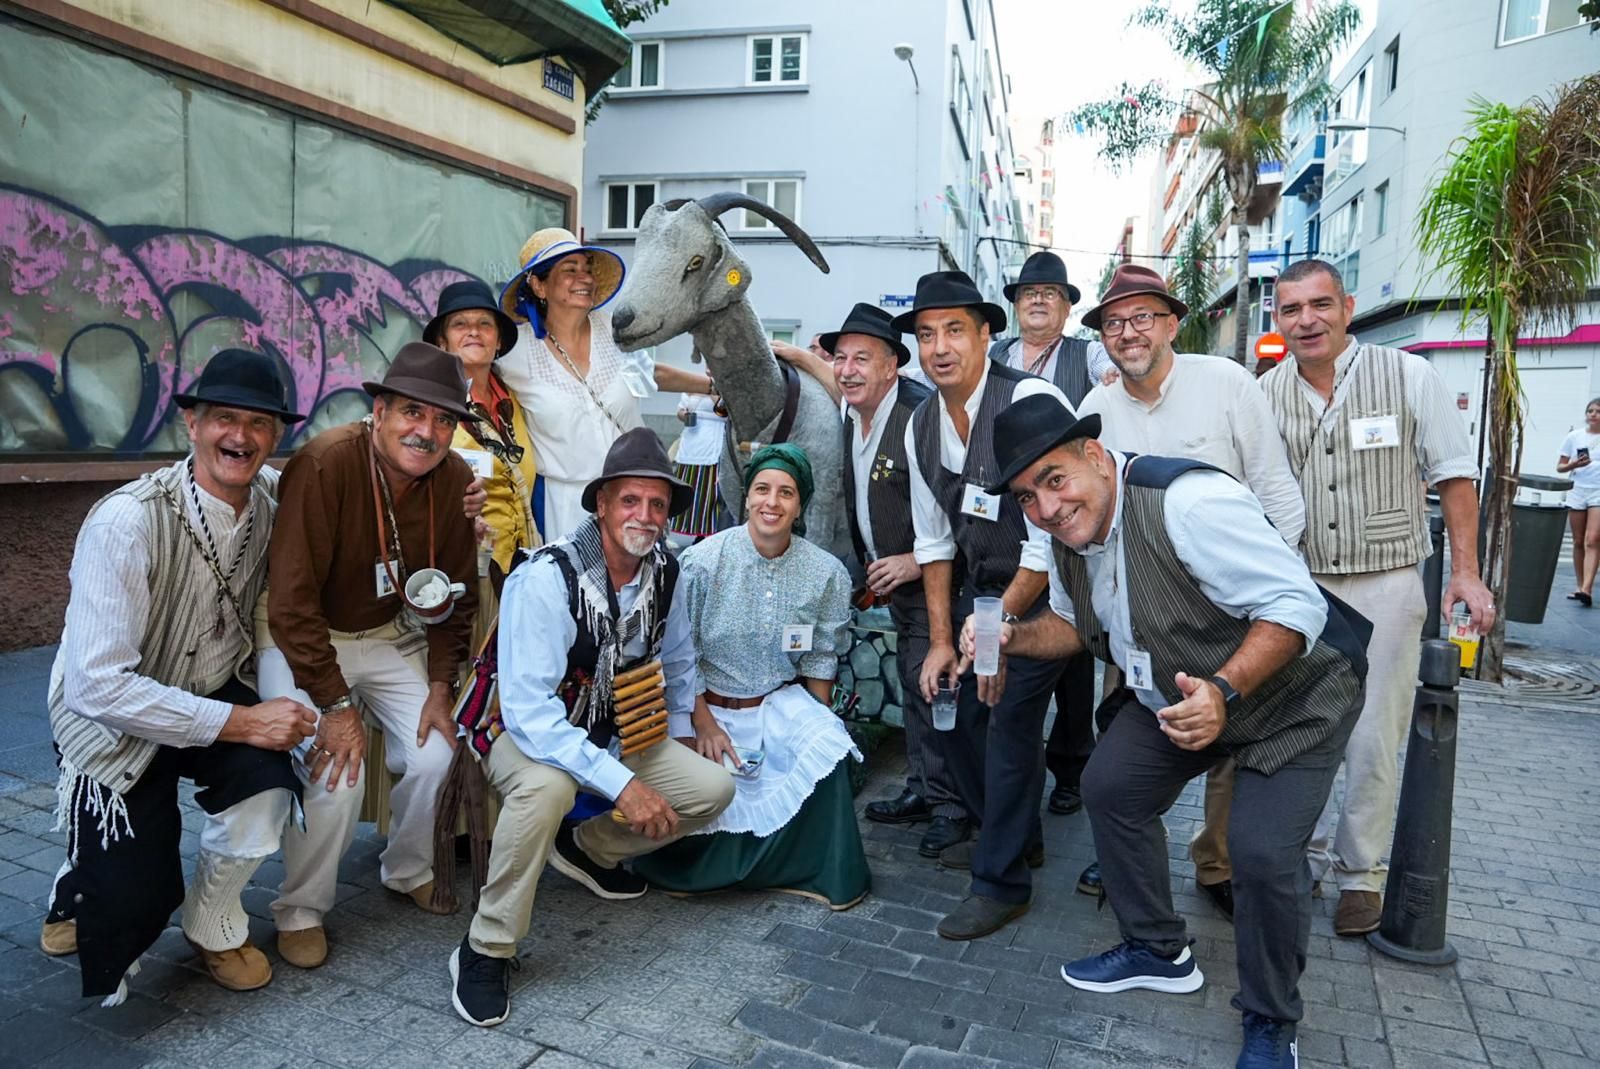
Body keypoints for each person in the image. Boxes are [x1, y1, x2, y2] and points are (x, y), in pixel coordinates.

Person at [973, 395, 1368, 1069]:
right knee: (1110, 784)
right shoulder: (1068, 539)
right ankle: (1157, 949)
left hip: (1295, 697)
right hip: (1181, 692)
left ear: (1094, 457)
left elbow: (1296, 602)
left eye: (1055, 478)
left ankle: (1273, 1019)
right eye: (1027, 495)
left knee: (1262, 852)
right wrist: (1011, 638)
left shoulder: (1187, 501)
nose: (1046, 506)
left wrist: (1223, 690)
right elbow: (1073, 626)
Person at [43, 350, 313, 1002]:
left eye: (258, 423)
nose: (240, 437)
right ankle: (79, 879)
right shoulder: (125, 520)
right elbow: (97, 685)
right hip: (115, 715)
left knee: (271, 783)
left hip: (213, 683)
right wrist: (246, 721)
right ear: (191, 422)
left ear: (275, 435)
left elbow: (357, 495)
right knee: (135, 897)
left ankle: (213, 920)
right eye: (224, 418)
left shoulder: (277, 499)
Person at [448, 428, 735, 1028]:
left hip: (608, 727)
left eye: (658, 504)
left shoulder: (665, 571)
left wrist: (683, 729)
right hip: (514, 730)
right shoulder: (547, 578)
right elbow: (529, 713)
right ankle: (485, 947)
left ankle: (589, 848)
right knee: (547, 787)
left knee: (712, 790)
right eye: (631, 500)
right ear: (601, 504)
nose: (646, 515)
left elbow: (678, 660)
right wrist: (624, 785)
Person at [1261, 258, 1493, 937]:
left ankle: (1360, 874)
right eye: (1291, 309)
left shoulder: (1408, 375)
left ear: (1347, 307)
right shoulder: (1266, 391)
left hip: (1388, 578)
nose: (1306, 319)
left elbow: (1454, 476)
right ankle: (1299, 855)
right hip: (1302, 583)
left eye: (1319, 304)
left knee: (1373, 735)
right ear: (1279, 319)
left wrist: (1466, 572)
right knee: (1300, 728)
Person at [1074, 264, 1307, 918]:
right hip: (1136, 622)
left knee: (1230, 735)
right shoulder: (1095, 411)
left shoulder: (1227, 384)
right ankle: (1121, 845)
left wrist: (1265, 598)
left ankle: (1219, 862)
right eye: (1115, 322)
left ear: (1172, 323)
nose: (1129, 332)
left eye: (1143, 317)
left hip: (1223, 615)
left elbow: (1280, 500)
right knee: (1124, 731)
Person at [260, 341, 479, 969]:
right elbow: (292, 602)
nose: (427, 431)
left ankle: (404, 866)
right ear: (378, 410)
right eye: (413, 412)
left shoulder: (456, 479)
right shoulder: (326, 464)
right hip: (303, 637)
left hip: (384, 635)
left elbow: (454, 597)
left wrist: (442, 687)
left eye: (443, 420)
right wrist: (334, 705)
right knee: (337, 765)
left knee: (440, 751)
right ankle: (300, 909)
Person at [893, 269, 1074, 940]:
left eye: (954, 331)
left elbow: (1050, 536)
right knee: (952, 710)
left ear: (987, 334)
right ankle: (1015, 829)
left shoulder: (1027, 397)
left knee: (1008, 715)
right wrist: (944, 639)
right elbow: (934, 541)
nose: (939, 347)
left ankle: (1000, 882)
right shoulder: (919, 426)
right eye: (926, 333)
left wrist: (992, 631)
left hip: (1052, 588)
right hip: (980, 589)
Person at [633, 443, 867, 908]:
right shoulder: (703, 563)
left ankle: (809, 868)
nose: (772, 503)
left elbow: (820, 660)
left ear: (800, 505)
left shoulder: (827, 574)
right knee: (707, 773)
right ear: (745, 498)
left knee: (828, 748)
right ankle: (696, 869)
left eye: (786, 493)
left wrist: (810, 733)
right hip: (705, 704)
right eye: (762, 489)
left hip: (778, 700)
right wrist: (701, 723)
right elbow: (680, 656)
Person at [816, 304, 944, 832]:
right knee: (915, 686)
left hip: (938, 580)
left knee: (936, 689)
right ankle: (926, 790)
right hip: (890, 583)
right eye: (841, 358)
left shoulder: (922, 413)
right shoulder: (852, 413)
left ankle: (951, 807)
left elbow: (956, 502)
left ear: (892, 366)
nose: (847, 369)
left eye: (862, 358)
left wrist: (916, 559)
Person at [496, 228, 712, 540]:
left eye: (587, 269)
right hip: (563, 508)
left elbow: (650, 374)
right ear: (538, 284)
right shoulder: (514, 354)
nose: (584, 278)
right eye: (570, 270)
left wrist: (714, 388)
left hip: (632, 497)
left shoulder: (614, 330)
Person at [985, 251, 1101, 825]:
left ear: (1065, 307)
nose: (1037, 300)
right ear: (1014, 305)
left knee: (1075, 659)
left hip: (1074, 519)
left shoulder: (1088, 356)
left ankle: (1073, 768)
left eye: (1051, 293)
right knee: (1031, 660)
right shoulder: (995, 356)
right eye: (1028, 292)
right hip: (1011, 515)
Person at [424, 279, 541, 640]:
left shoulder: (517, 401)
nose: (474, 332)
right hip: (467, 569)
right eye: (460, 324)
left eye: (484, 324)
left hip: (524, 567)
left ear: (499, 340)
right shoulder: (430, 408)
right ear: (442, 342)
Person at [1557, 398, 1600, 605]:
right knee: (1577, 540)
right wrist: (1575, 463)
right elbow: (1560, 466)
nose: (1593, 414)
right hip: (1578, 489)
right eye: (1590, 411)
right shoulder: (1574, 437)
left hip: (1598, 491)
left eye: (1598, 411)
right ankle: (1579, 585)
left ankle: (1587, 589)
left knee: (1593, 539)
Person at [670, 391, 728, 539]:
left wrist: (710, 392)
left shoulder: (721, 385)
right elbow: (680, 410)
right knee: (689, 485)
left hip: (713, 438)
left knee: (708, 490)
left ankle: (708, 532)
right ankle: (691, 528)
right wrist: (684, 415)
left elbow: (726, 412)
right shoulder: (691, 385)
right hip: (691, 439)